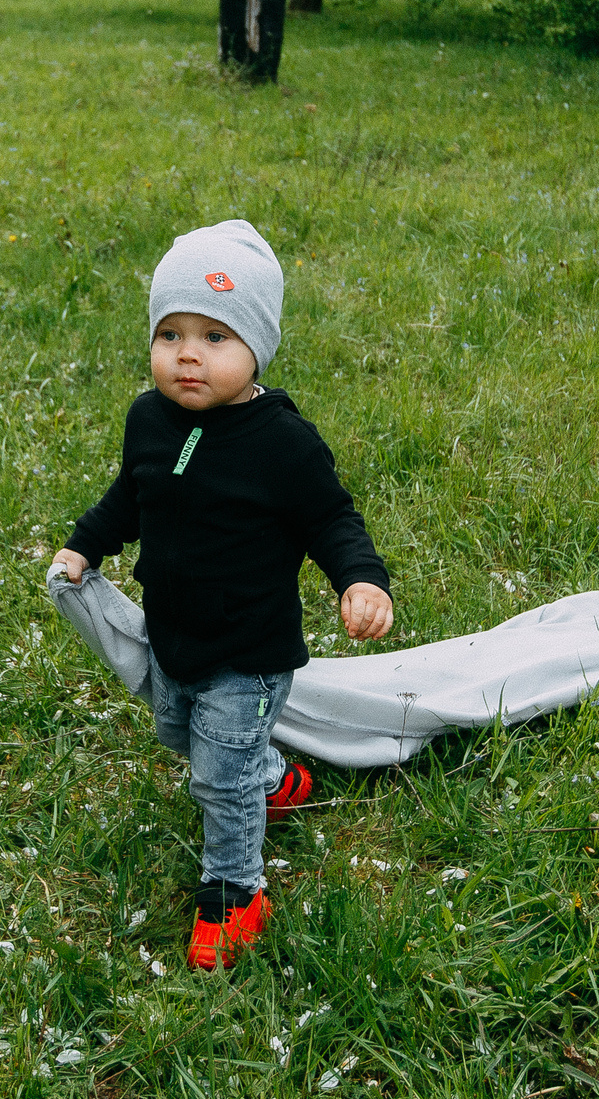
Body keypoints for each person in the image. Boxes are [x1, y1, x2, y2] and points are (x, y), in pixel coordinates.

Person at [51, 219, 393, 969]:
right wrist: (85, 543)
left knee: (217, 776)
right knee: (182, 734)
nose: (187, 355)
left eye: (214, 336)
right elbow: (128, 499)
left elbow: (331, 518)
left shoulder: (283, 443)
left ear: (256, 347)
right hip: (175, 635)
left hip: (248, 650)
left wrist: (361, 578)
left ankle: (235, 889)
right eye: (170, 333)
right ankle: (275, 778)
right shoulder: (149, 420)